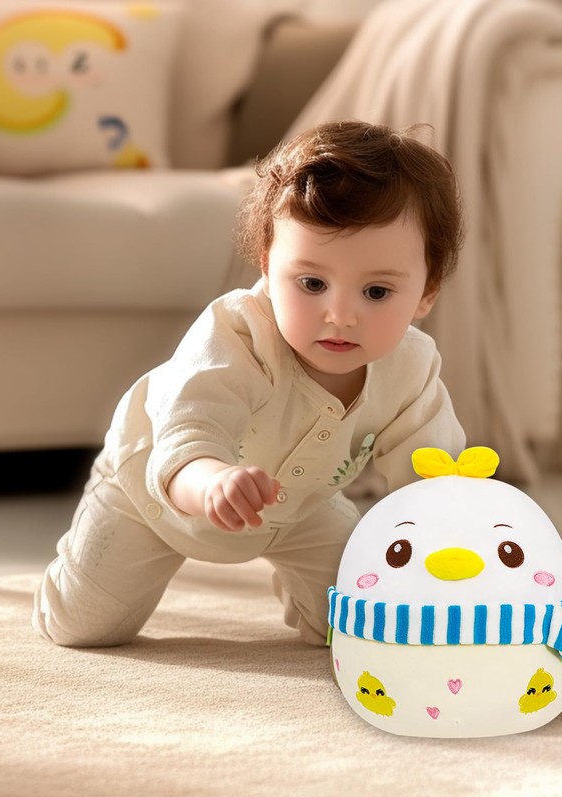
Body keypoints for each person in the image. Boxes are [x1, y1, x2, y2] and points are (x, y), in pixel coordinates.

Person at [33, 120, 466, 648]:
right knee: (82, 628)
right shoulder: (237, 335)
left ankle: (310, 597)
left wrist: (448, 547)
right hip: (156, 492)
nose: (340, 315)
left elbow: (432, 481)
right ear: (266, 264)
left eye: (376, 292)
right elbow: (190, 432)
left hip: (300, 510)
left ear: (427, 292)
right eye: (312, 283)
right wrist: (212, 481)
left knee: (360, 628)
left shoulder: (412, 367)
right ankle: (77, 561)